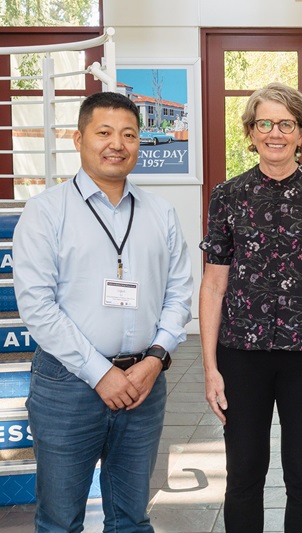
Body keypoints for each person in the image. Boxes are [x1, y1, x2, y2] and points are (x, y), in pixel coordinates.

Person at [12, 92, 193, 531]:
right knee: (60, 520)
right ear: (79, 139)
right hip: (66, 386)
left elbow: (180, 292)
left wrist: (156, 358)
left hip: (143, 384)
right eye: (104, 132)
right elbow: (38, 307)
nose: (118, 144)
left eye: (129, 134)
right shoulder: (44, 213)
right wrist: (100, 373)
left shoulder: (160, 212)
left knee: (131, 518)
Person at [199, 82, 302, 533]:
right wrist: (210, 367)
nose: (275, 133)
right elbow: (213, 285)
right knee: (243, 475)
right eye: (265, 123)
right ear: (251, 132)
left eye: (287, 124)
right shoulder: (227, 195)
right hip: (240, 356)